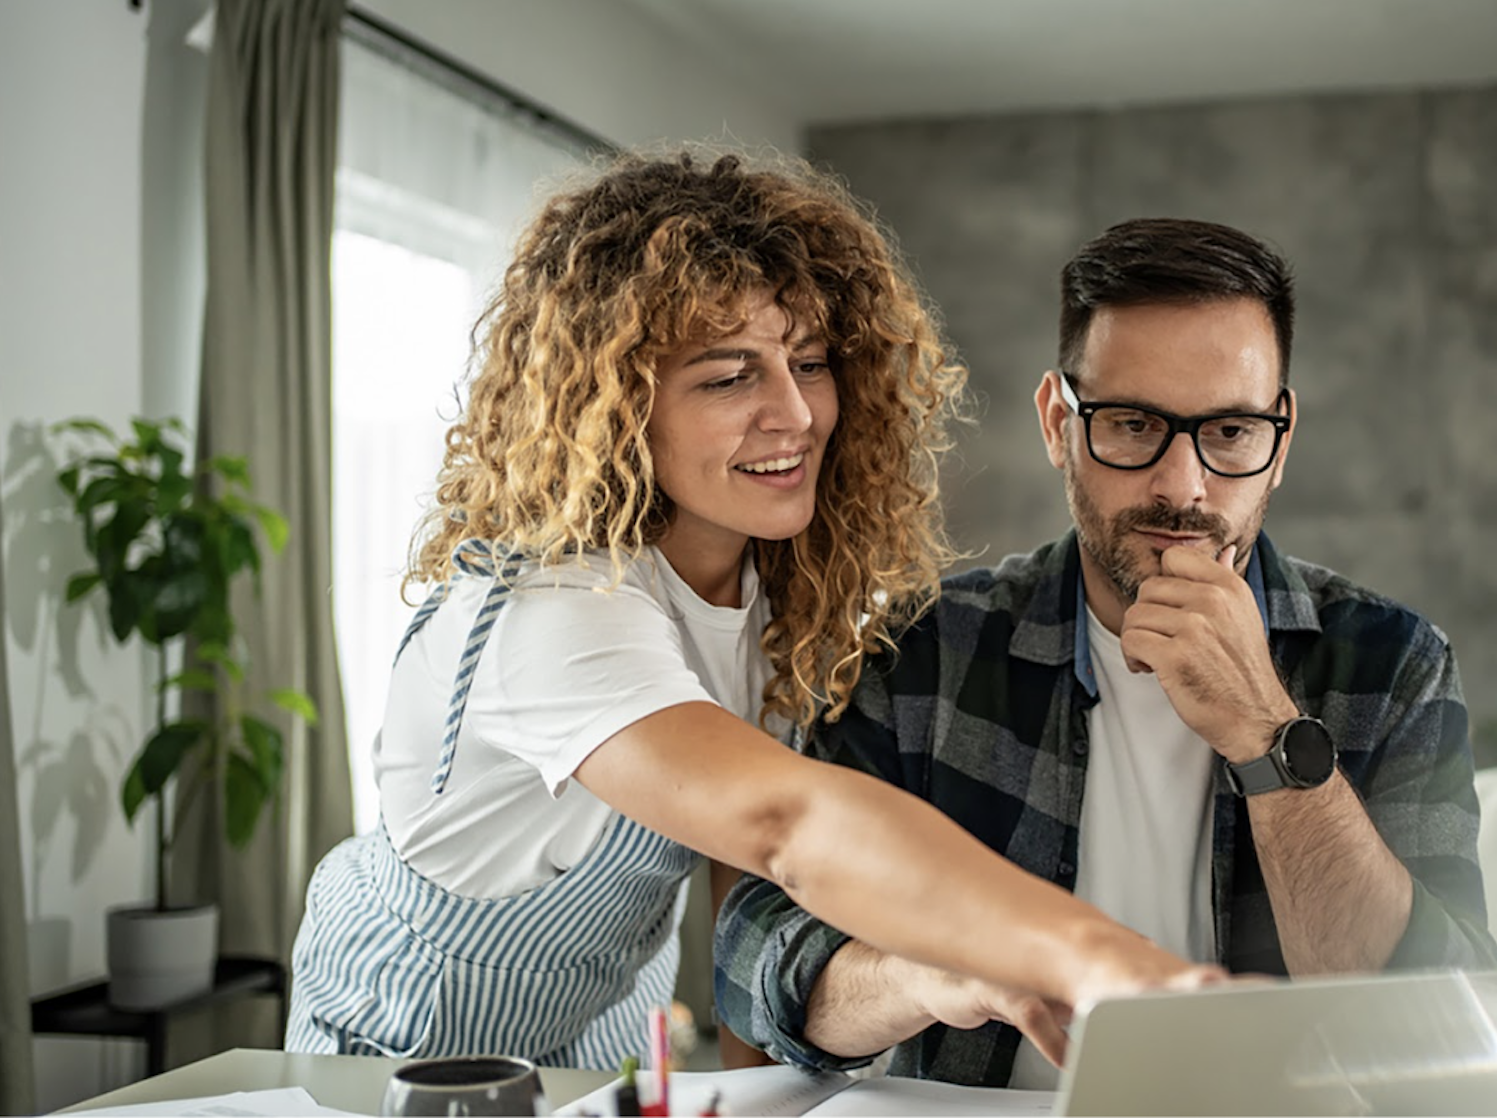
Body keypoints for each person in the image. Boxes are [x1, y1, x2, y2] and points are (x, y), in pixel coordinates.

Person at [285, 153, 1221, 1071]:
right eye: (728, 378)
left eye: (808, 362)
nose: (797, 414)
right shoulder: (555, 612)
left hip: (609, 1023)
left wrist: (759, 1090)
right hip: (405, 1028)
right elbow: (788, 823)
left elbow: (750, 886)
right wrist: (1089, 953)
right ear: (616, 411)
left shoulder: (780, 596)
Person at [715, 217, 1497, 1088]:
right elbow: (751, 958)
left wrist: (1270, 734)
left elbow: (1442, 1024)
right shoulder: (925, 655)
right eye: (1132, 425)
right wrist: (923, 973)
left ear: (1281, 439)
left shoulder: (1392, 665)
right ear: (1058, 423)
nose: (1183, 486)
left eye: (1232, 433)